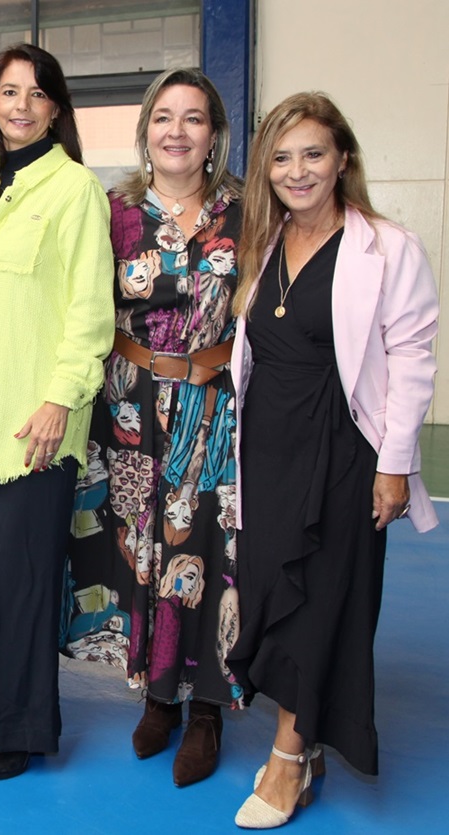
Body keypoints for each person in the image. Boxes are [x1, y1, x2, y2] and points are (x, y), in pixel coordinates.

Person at [227, 92, 439, 829]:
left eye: (312, 153)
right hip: (266, 445)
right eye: (281, 158)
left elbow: (411, 358)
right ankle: (304, 742)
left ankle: (288, 759)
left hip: (342, 450)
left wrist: (393, 461)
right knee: (269, 592)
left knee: (315, 601)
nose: (297, 170)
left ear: (341, 158)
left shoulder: (386, 246)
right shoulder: (264, 241)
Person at [63, 67, 245, 787]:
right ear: (143, 133)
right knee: (141, 545)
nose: (176, 130)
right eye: (162, 117)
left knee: (205, 547)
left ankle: (205, 707)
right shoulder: (113, 213)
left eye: (192, 117)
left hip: (212, 406)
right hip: (129, 402)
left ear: (213, 135)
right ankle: (157, 694)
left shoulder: (244, 212)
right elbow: (79, 303)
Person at [0, 44, 114, 781]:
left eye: (34, 93)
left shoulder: (75, 190)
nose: (19, 105)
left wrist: (58, 399)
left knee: (21, 578)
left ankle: (25, 726)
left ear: (54, 108)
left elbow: (88, 307)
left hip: (36, 418)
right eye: (7, 92)